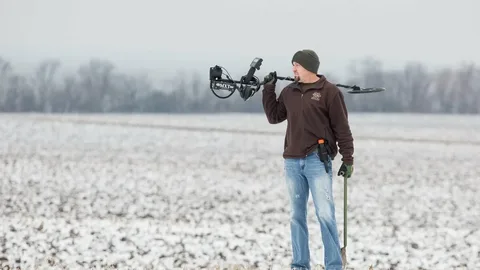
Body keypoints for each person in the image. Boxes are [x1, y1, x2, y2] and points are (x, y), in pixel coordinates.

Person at [261, 49, 354, 270]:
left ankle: (333, 265)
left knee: (325, 214)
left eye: (297, 65)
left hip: (317, 161)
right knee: (296, 215)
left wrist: (347, 158)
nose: (293, 68)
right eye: (292, 64)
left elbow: (342, 128)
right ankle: (300, 265)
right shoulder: (289, 92)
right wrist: (268, 88)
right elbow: (274, 117)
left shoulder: (329, 92)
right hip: (292, 161)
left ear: (310, 68)